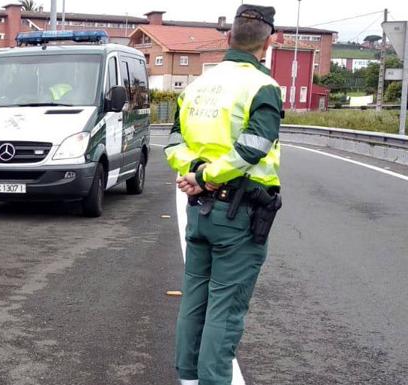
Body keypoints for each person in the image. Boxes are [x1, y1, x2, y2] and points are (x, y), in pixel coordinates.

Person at [164, 4, 283, 385]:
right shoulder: (262, 86)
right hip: (238, 214)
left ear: (228, 38)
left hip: (200, 212)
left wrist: (194, 174)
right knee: (225, 309)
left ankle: (188, 378)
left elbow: (173, 142)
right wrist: (211, 178)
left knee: (195, 301)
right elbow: (255, 146)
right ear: (270, 42)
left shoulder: (198, 85)